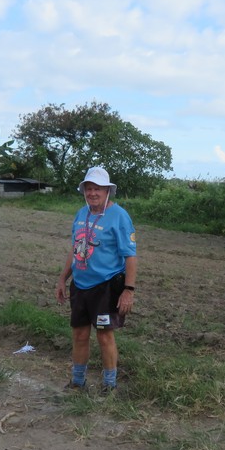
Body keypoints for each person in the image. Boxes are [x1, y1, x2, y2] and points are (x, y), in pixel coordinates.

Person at [55, 167, 137, 394]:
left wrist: (128, 290)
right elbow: (75, 249)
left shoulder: (119, 216)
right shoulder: (81, 214)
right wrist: (63, 279)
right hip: (80, 285)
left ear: (107, 191)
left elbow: (130, 256)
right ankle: (77, 382)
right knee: (79, 334)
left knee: (104, 336)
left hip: (105, 286)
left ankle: (109, 386)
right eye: (88, 188)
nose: (92, 193)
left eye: (97, 189)